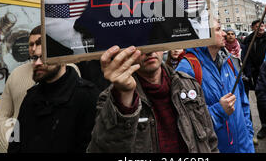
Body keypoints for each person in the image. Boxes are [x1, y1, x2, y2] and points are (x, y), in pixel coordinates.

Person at [87, 46, 219, 153]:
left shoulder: (189, 85)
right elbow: (104, 148)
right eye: (141, 45)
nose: (150, 51)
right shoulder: (113, 98)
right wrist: (125, 97)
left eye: (154, 41)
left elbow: (210, 142)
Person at [7, 34, 99, 153]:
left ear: (62, 59)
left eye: (44, 57)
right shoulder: (31, 96)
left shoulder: (87, 96)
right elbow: (15, 141)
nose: (37, 63)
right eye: (35, 58)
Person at [176, 20, 255, 153]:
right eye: (218, 29)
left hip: (243, 146)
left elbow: (242, 101)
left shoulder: (228, 60)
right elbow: (186, 121)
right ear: (202, 34)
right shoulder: (188, 67)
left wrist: (248, 134)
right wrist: (219, 111)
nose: (224, 34)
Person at [0, 25, 41, 153]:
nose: (34, 49)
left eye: (39, 43)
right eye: (31, 44)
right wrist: (9, 148)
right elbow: (2, 117)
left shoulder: (69, 70)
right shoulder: (16, 74)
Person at [243, 19, 266, 139]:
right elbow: (246, 59)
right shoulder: (249, 40)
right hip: (257, 75)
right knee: (261, 101)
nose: (261, 27)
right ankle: (265, 127)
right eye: (257, 26)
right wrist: (249, 74)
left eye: (262, 25)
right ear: (253, 28)